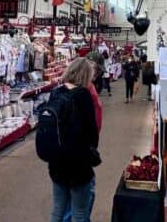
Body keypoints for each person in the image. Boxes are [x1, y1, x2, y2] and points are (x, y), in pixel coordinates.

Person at [47, 58, 100, 222]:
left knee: (57, 210)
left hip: (56, 161)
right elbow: (92, 132)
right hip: (78, 164)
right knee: (79, 212)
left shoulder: (56, 92)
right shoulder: (83, 95)